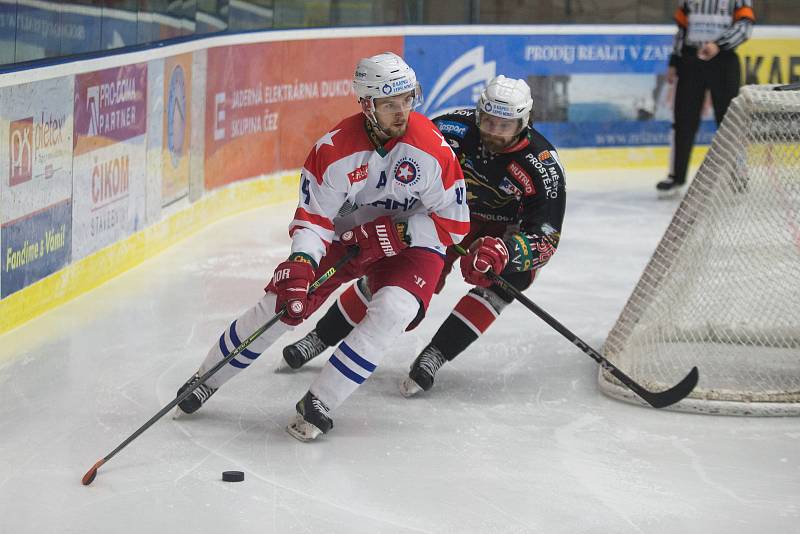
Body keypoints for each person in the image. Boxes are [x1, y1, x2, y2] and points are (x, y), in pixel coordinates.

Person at [174, 52, 469, 441]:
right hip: (346, 238)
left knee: (396, 309)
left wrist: (402, 232)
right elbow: (314, 219)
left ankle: (321, 401)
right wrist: (300, 261)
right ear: (367, 105)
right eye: (389, 104)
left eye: (407, 100)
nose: (402, 112)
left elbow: (456, 224)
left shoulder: (432, 150)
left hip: (409, 246)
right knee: (283, 304)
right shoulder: (334, 151)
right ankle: (208, 376)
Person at [279, 75, 566, 397]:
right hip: (441, 217)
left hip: (500, 234)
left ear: (525, 122)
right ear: (478, 112)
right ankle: (321, 336)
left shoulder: (542, 166)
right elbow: (396, 161)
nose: (493, 133)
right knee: (392, 272)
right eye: (488, 121)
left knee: (512, 281)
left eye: (505, 126)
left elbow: (546, 236)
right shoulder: (450, 129)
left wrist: (506, 253)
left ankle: (436, 355)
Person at [657, 0, 755, 195]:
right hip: (691, 60)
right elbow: (682, 29)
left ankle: (738, 173)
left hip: (724, 61)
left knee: (730, 121)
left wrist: (719, 45)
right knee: (683, 120)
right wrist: (674, 61)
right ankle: (676, 176)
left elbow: (745, 26)